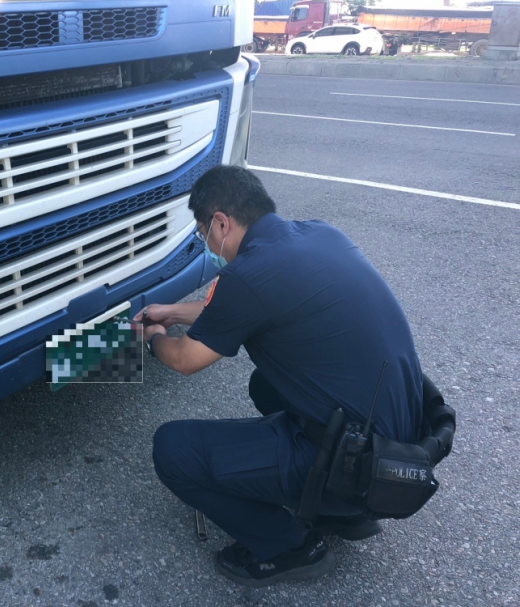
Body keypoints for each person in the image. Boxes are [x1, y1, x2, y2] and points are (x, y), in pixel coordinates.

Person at [134, 165, 424, 587]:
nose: (207, 244)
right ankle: (346, 513)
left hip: (362, 466)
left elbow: (184, 358)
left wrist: (153, 336)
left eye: (203, 234)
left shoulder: (246, 276)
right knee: (264, 384)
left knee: (173, 450)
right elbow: (241, 308)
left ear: (221, 223)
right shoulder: (319, 235)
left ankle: (291, 546)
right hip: (398, 444)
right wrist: (173, 311)